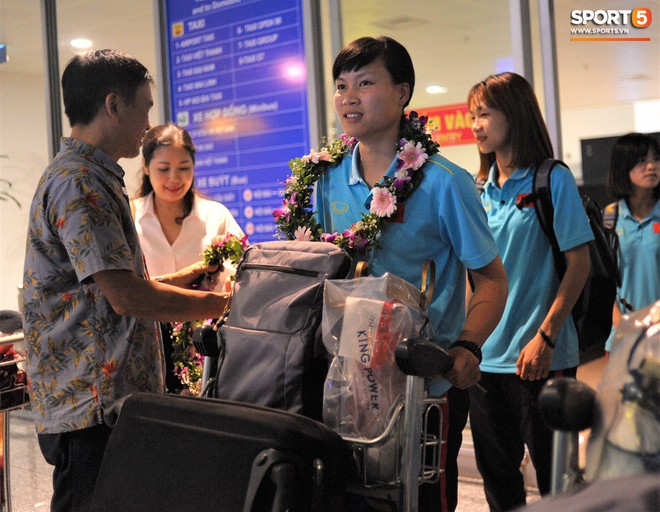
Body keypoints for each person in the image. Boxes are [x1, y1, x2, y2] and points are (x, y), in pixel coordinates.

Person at [21, 49, 228, 512]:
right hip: (90, 406)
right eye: (146, 108)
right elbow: (125, 296)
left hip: (104, 402)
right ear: (113, 105)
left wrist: (187, 278)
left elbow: (96, 289)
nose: (148, 123)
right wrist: (219, 306)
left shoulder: (90, 176)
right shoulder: (80, 183)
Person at [313, 36, 508, 512]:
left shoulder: (444, 183)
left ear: (402, 93)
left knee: (417, 500)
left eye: (364, 82)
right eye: (341, 86)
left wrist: (466, 346)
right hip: (343, 380)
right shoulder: (323, 177)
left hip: (423, 386)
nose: (348, 97)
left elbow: (492, 279)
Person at [466, 72, 593, 511]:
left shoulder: (549, 180)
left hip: (541, 357)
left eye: (484, 114)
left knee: (556, 479)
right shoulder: (479, 190)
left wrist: (547, 335)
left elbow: (580, 264)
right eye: (472, 116)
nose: (476, 125)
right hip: (486, 360)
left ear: (514, 115)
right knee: (497, 477)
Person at [132, 123, 245, 393]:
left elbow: (241, 275)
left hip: (206, 344)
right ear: (146, 167)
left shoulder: (215, 216)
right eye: (163, 169)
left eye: (184, 168)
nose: (174, 178)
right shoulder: (131, 217)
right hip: (147, 345)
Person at [605, 133, 660, 353]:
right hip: (622, 336)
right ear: (623, 167)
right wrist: (620, 322)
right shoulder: (609, 217)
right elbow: (602, 281)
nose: (651, 166)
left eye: (656, 159)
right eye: (641, 161)